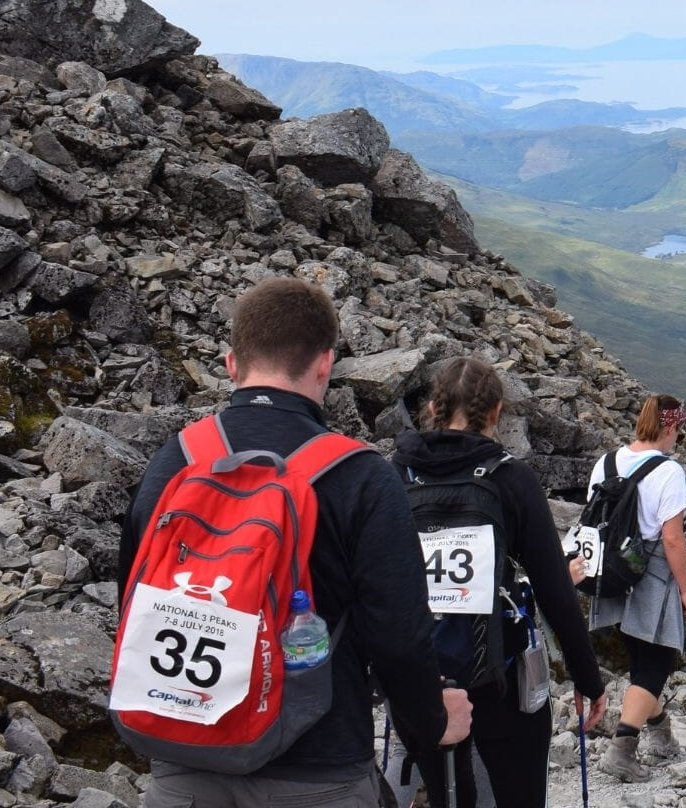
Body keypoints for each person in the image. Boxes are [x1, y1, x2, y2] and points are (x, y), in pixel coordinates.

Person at [116, 277, 471, 806]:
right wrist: (431, 721)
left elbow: (134, 596)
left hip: (184, 761)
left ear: (231, 362)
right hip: (318, 767)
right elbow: (399, 635)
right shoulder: (363, 476)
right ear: (325, 363)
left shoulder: (177, 459)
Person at [392, 356, 610, 808]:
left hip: (419, 668)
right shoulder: (512, 479)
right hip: (500, 669)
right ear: (496, 414)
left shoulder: (395, 473)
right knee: (518, 789)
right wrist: (587, 678)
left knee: (444, 791)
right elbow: (554, 590)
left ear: (432, 406)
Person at [587, 395, 686, 781]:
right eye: (679, 431)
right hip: (651, 573)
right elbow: (672, 539)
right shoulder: (669, 472)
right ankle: (622, 749)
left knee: (640, 658)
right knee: (656, 663)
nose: (678, 438)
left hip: (613, 571)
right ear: (670, 427)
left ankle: (662, 736)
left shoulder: (607, 462)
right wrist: (685, 591)